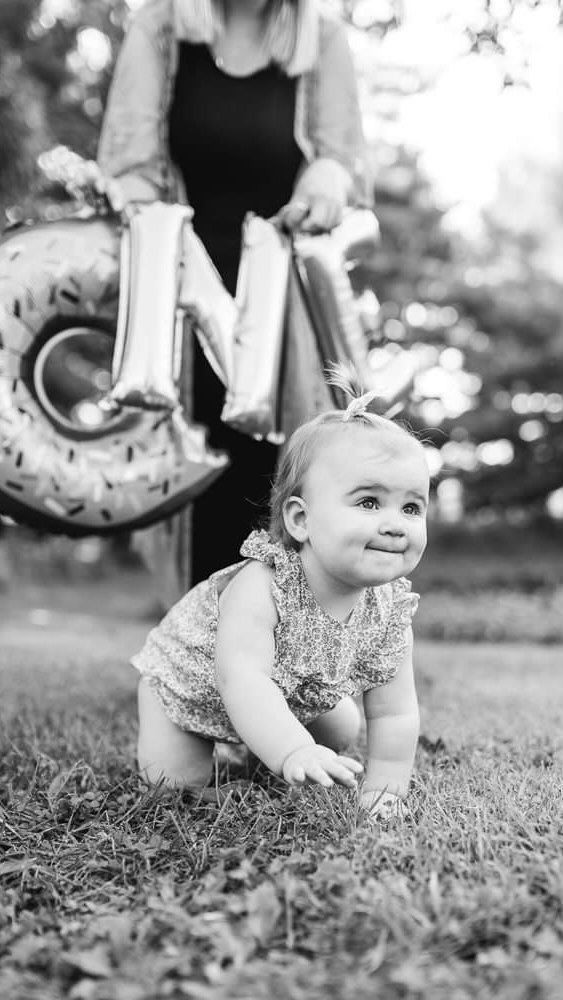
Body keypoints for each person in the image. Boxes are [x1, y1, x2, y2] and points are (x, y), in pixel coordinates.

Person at [97, 0, 371, 593]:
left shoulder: (322, 38)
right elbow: (129, 164)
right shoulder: (160, 29)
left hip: (284, 305)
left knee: (283, 480)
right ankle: (202, 633)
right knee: (201, 477)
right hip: (181, 295)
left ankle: (287, 635)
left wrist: (326, 182)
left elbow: (340, 158)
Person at [131, 387, 430, 817]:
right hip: (189, 691)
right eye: (369, 502)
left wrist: (385, 793)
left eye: (412, 508)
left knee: (342, 730)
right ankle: (260, 744)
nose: (395, 524)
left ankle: (267, 741)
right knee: (174, 783)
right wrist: (293, 750)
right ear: (300, 519)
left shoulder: (391, 609)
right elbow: (243, 679)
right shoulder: (265, 584)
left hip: (286, 695)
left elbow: (394, 712)